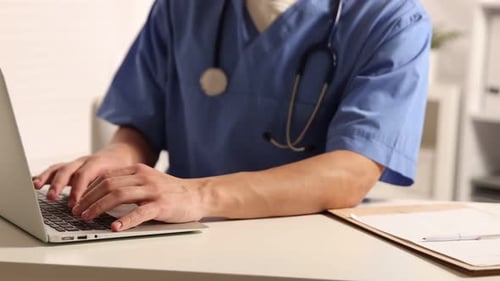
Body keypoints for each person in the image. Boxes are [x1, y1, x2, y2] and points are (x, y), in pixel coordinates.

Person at [32, 0, 431, 232]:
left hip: (307, 240)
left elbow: (352, 173)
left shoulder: (392, 19)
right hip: (180, 231)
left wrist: (197, 194)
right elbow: (141, 126)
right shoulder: (183, 6)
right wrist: (115, 161)